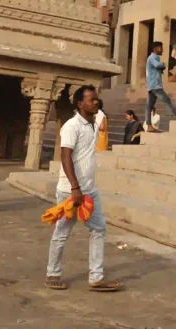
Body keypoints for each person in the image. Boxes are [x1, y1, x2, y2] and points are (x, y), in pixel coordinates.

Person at [45, 85, 121, 292]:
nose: (96, 102)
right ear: (80, 104)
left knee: (98, 229)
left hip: (90, 190)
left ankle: (96, 277)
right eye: (91, 100)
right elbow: (65, 156)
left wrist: (84, 188)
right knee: (62, 231)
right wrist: (75, 187)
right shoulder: (71, 126)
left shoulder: (94, 123)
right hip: (70, 190)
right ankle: (53, 273)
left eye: (96, 99)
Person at [145, 42, 176, 130]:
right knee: (167, 100)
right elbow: (158, 65)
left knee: (149, 106)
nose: (162, 50)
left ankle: (149, 125)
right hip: (155, 86)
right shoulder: (152, 58)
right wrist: (164, 65)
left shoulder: (154, 58)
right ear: (155, 49)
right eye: (160, 48)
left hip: (152, 85)